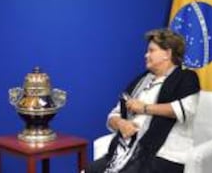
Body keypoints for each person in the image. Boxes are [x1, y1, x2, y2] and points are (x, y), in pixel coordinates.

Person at [85, 28, 200, 173]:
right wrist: (121, 123)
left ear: (167, 53)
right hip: (128, 151)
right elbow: (112, 116)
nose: (146, 55)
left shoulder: (186, 78)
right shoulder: (141, 81)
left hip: (163, 154)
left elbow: (185, 110)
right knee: (90, 169)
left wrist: (144, 108)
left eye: (151, 51)